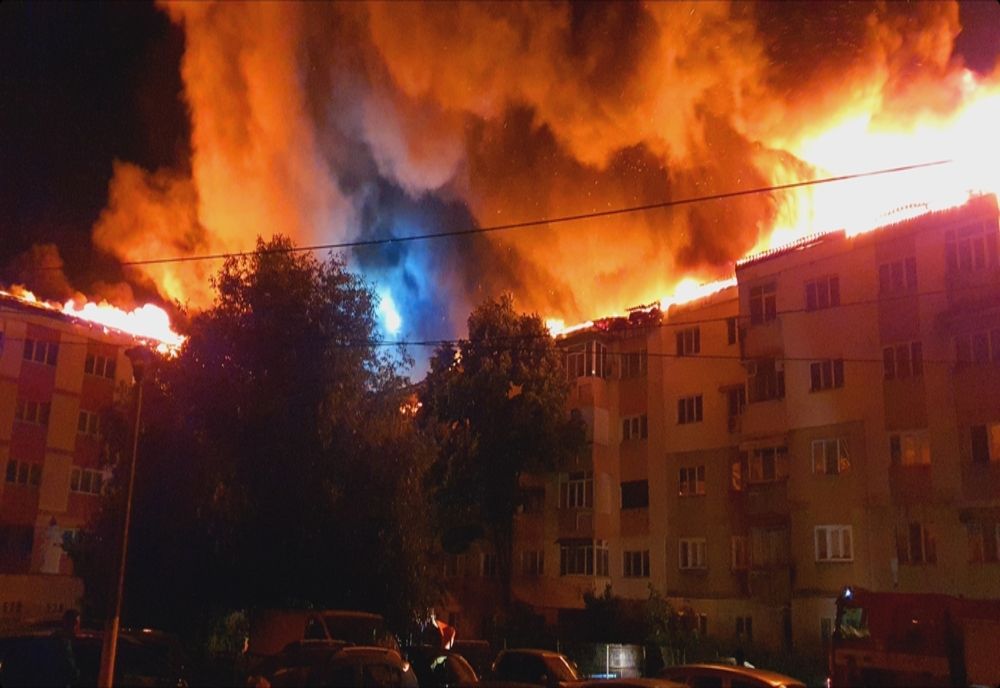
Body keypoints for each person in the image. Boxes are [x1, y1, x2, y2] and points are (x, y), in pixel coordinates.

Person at [51, 609, 81, 687]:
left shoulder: (57, 639)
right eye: (75, 623)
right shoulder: (63, 643)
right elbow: (70, 669)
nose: (77, 627)